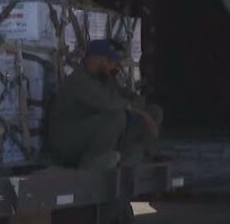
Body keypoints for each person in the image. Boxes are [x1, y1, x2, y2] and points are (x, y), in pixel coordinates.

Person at [46, 39, 160, 169]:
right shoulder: (79, 80)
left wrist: (140, 105)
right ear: (97, 60)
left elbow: (126, 95)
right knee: (116, 117)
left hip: (93, 135)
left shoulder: (104, 79)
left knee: (154, 111)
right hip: (66, 141)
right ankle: (92, 162)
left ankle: (140, 155)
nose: (114, 66)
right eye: (110, 61)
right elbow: (110, 103)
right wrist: (140, 112)